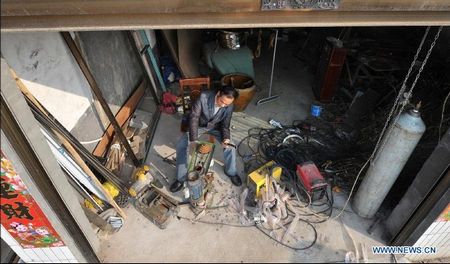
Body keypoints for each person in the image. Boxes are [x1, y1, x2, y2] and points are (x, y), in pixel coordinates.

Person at [170, 86, 242, 193]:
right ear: (218, 93)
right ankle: (181, 178)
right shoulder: (203, 97)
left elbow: (225, 125)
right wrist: (194, 140)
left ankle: (231, 172)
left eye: (226, 104)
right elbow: (194, 118)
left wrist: (226, 138)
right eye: (221, 101)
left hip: (215, 127)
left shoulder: (229, 105)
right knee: (181, 144)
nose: (223, 105)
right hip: (199, 126)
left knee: (231, 145)